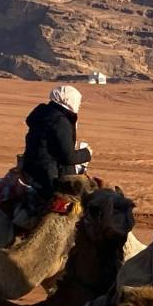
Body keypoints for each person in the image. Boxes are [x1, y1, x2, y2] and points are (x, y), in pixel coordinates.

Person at [18, 84, 92, 215]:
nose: (79, 105)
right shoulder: (60, 121)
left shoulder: (45, 114)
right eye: (77, 101)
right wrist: (86, 154)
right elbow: (67, 157)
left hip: (32, 167)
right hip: (49, 174)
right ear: (69, 101)